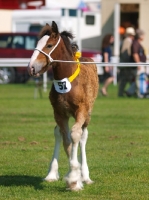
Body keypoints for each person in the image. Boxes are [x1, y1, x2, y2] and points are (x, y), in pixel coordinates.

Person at [118, 27, 136, 97]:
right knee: (129, 79)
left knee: (124, 80)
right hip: (126, 64)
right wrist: (129, 61)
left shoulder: (126, 40)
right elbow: (124, 52)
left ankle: (121, 94)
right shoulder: (127, 41)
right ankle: (130, 92)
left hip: (124, 64)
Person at [130, 29, 147, 98]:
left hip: (141, 63)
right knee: (139, 79)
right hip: (139, 64)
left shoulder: (137, 43)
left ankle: (129, 91)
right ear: (140, 36)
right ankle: (139, 93)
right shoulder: (135, 43)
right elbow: (135, 54)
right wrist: (138, 63)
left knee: (141, 78)